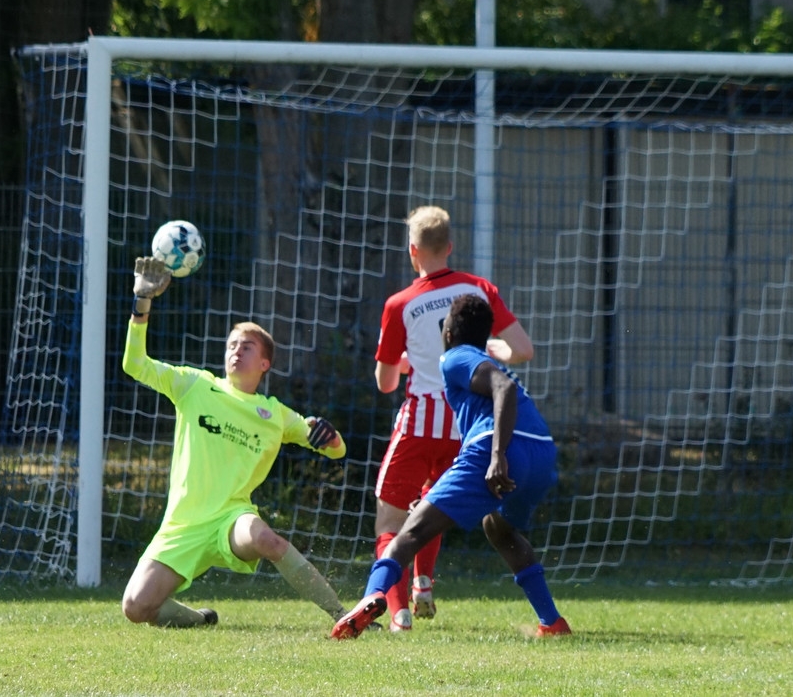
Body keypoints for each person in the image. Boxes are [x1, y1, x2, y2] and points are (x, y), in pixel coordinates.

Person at [121, 256, 351, 628]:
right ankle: (199, 620)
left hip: (231, 517)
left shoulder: (275, 414)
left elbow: (336, 449)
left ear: (264, 364)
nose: (236, 351)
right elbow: (135, 364)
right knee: (135, 608)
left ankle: (342, 614)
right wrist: (142, 304)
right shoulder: (195, 386)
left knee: (267, 540)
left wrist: (331, 435)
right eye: (232, 345)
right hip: (183, 524)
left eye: (247, 346)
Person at [332, 293, 571, 639]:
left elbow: (503, 389)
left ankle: (372, 595)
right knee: (498, 528)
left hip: (499, 449)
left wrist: (497, 456)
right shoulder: (486, 361)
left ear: (448, 332)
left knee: (410, 532)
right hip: (542, 454)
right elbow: (503, 395)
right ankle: (552, 622)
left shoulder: (456, 357)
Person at [372, 205, 535, 632]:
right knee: (434, 502)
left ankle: (397, 613)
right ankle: (423, 581)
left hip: (419, 423)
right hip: (466, 426)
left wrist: (409, 362)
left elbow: (386, 383)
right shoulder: (479, 289)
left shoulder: (400, 303)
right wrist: (492, 351)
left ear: (412, 251)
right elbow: (522, 349)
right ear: (450, 246)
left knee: (391, 520)